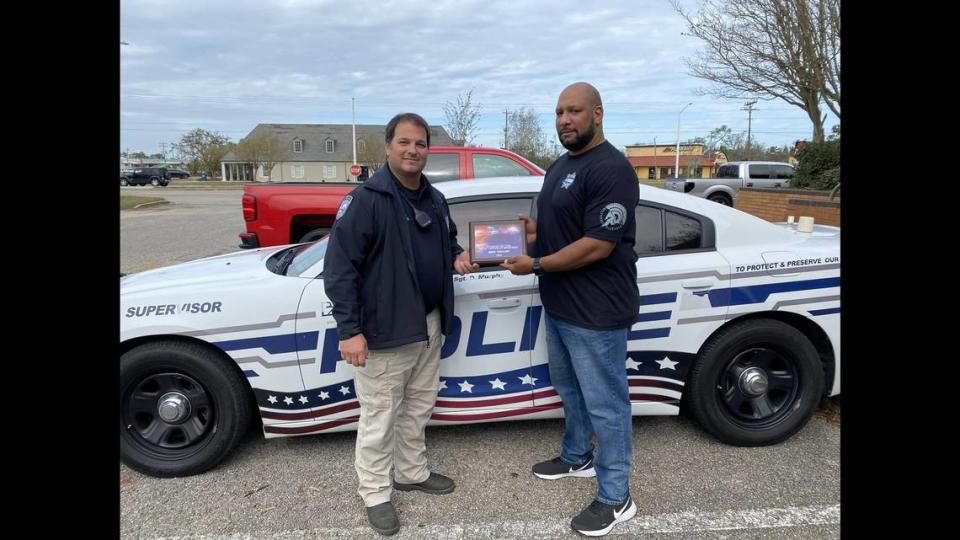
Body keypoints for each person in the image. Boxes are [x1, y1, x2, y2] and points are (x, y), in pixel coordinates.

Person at [323, 112, 478, 536]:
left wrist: (458, 255)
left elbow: (445, 241)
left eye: (421, 144)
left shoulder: (433, 197)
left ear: (428, 149)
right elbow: (339, 269)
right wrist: (349, 331)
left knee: (418, 406)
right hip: (384, 331)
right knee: (380, 415)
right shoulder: (367, 200)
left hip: (428, 324)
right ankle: (374, 492)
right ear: (388, 146)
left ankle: (410, 472)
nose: (413, 150)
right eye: (405, 143)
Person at [502, 82, 640, 536]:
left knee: (607, 402)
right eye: (559, 112)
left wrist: (536, 262)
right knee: (569, 387)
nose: (565, 120)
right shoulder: (561, 165)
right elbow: (569, 229)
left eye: (574, 111)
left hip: (597, 311)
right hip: (560, 304)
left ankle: (616, 496)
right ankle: (578, 455)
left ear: (597, 114)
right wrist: (534, 234)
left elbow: (599, 244)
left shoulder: (613, 168)